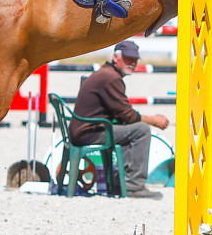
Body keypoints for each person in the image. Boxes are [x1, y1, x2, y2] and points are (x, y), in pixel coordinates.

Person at [71, 40, 169, 199]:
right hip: (90, 132)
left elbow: (123, 115)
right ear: (116, 58)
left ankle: (122, 183)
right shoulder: (111, 78)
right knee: (141, 130)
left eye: (135, 59)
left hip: (85, 129)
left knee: (131, 128)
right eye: (128, 58)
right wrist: (154, 120)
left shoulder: (106, 73)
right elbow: (127, 115)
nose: (132, 63)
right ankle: (133, 187)